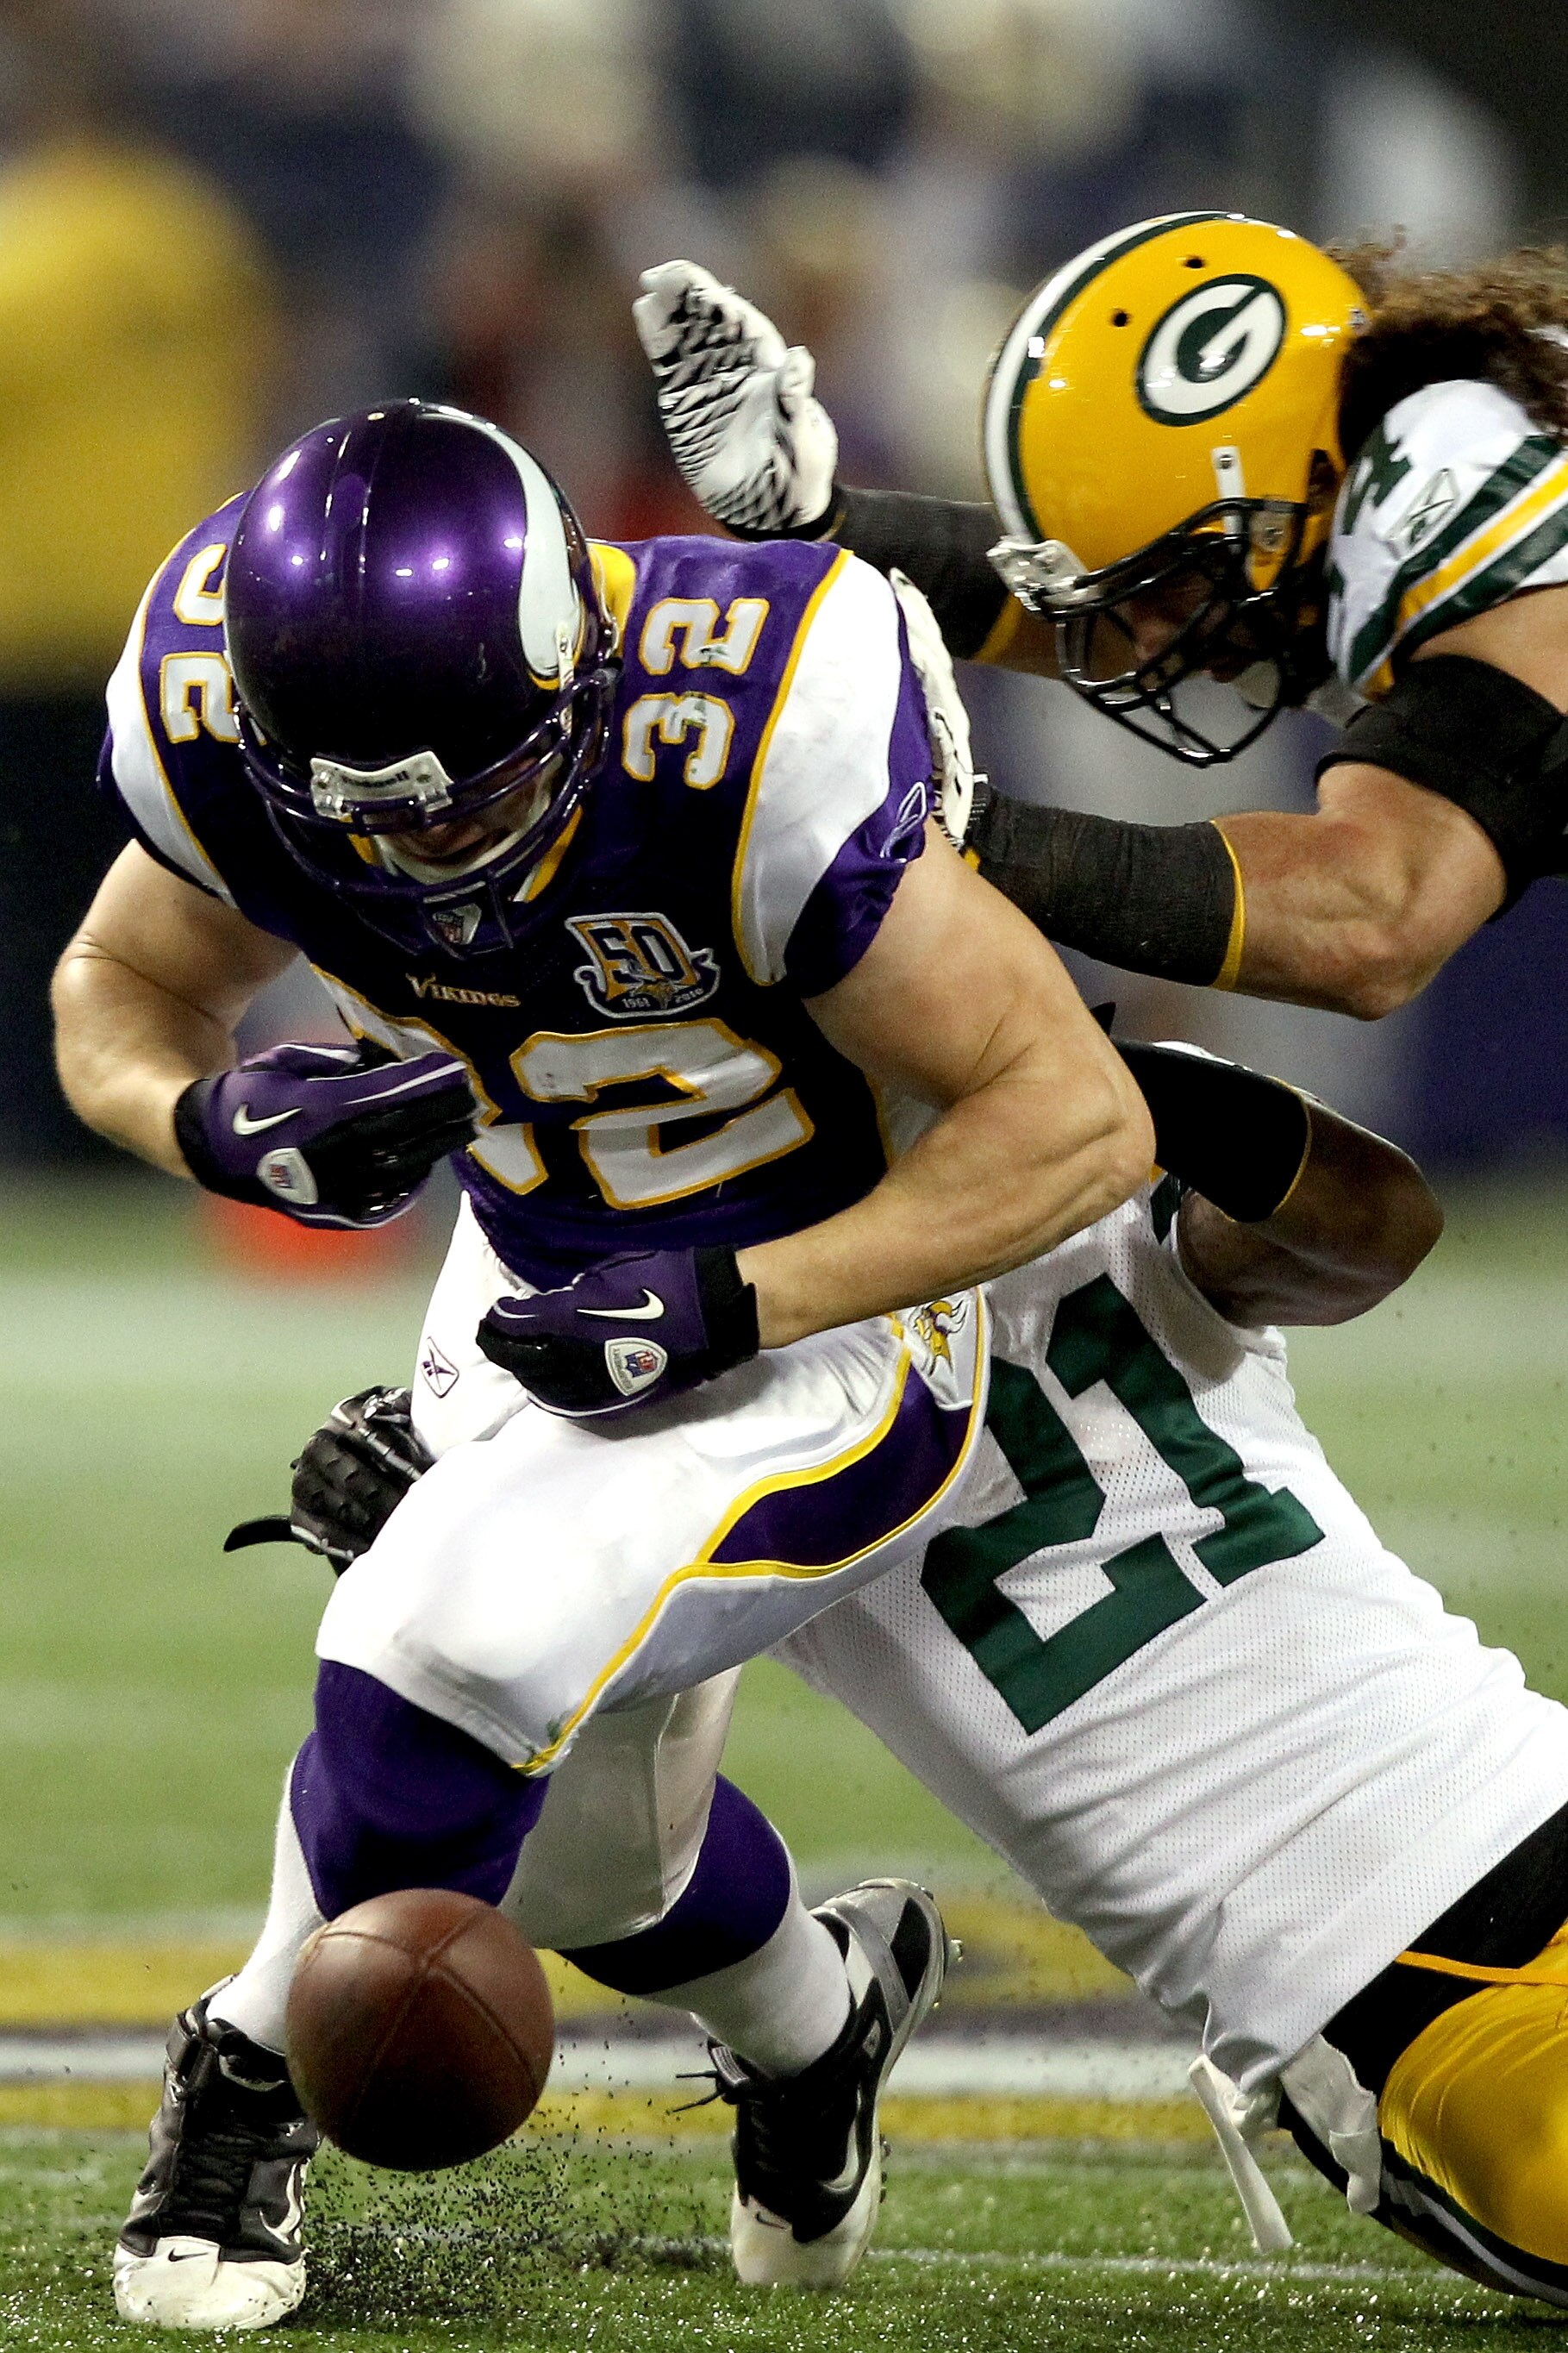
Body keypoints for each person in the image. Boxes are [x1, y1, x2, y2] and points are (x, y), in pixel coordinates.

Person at [51, 398, 1151, 2327]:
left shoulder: (752, 725)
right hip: (533, 1276)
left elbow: (1070, 1119)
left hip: (827, 1312)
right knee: (568, 1872)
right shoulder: (222, 721)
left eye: (460, 799)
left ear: (572, 678)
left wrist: (733, 1301)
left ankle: (238, 2076)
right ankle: (822, 2019)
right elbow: (117, 996)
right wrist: (215, 1123)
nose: (419, 853)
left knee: (444, 1638)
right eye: (363, 815)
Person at [293, 1043, 1568, 2310]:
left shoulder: (1067, 1127)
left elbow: (1376, 1226)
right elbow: (553, 1760)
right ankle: (805, 2024)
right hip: (1399, 1995)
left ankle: (807, 2027)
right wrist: (431, 1502)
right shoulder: (676, 1324)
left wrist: (1050, 1061)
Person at [634, 219, 1568, 1021]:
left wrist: (960, 831)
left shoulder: (1478, 492)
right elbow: (1120, 603)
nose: (1152, 640)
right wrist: (826, 530)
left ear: (1303, 485)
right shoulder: (1360, 492)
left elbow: (1375, 916)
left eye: (1172, 589)